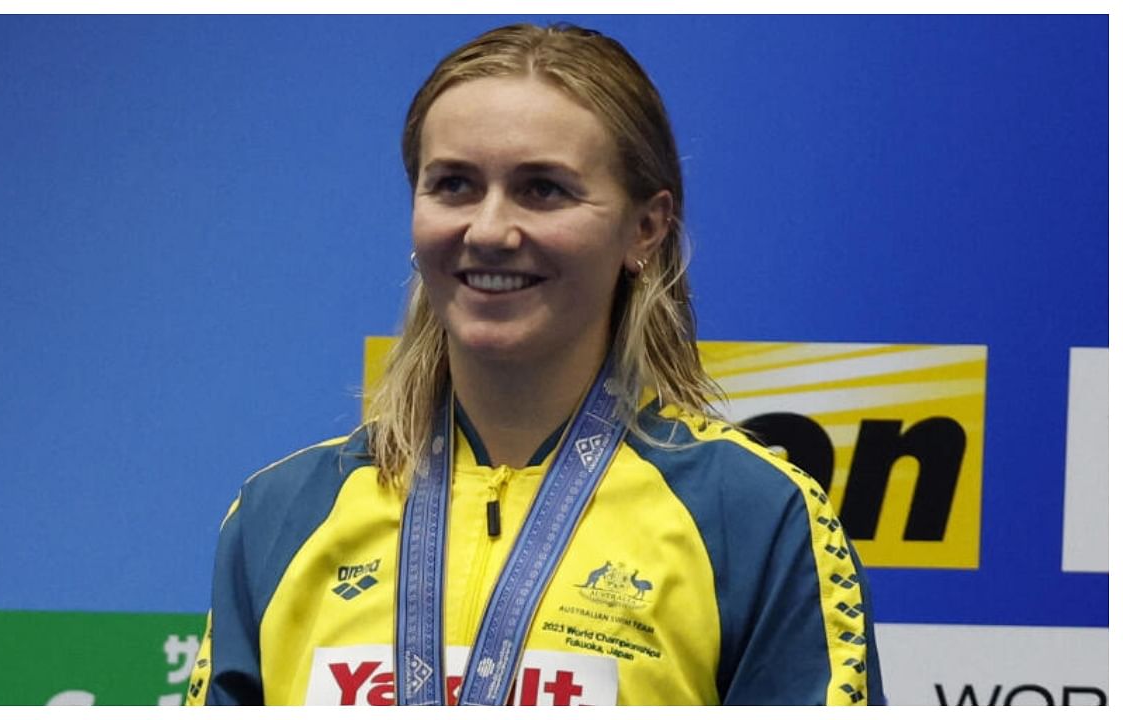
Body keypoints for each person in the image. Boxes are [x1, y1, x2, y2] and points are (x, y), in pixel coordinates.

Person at [186, 22, 884, 706]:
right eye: (454, 185)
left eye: (543, 189)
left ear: (645, 227)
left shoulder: (753, 519)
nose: (489, 230)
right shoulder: (282, 516)